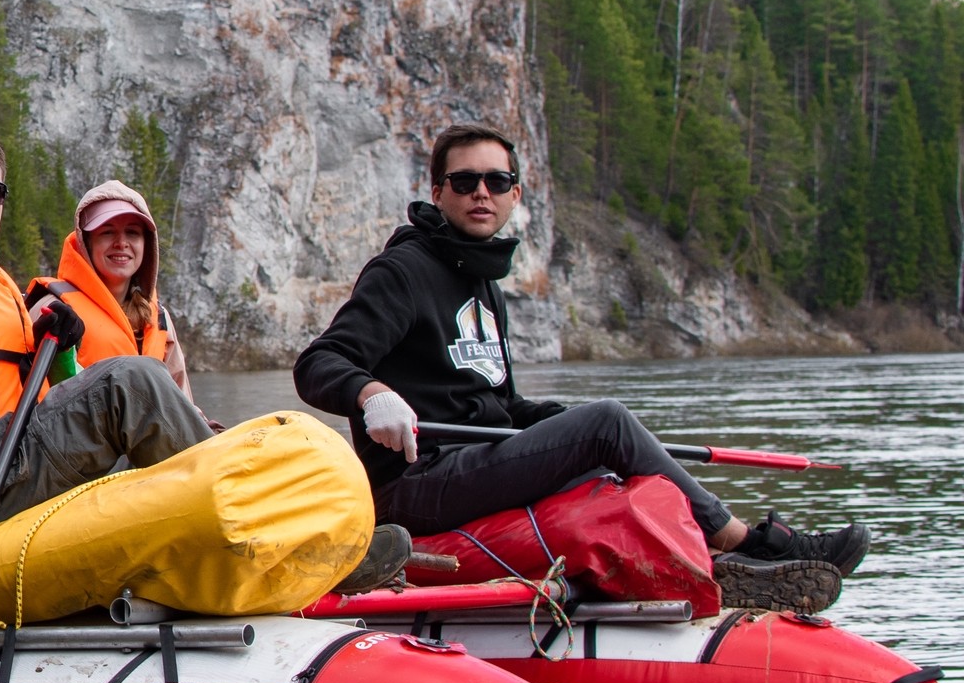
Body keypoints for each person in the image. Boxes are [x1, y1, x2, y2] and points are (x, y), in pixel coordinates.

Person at [0, 129, 410, 610]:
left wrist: (59, 355)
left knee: (157, 424)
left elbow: (33, 409)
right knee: (133, 380)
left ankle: (300, 532)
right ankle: (299, 541)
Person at [294, 123, 869, 614]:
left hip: (470, 463)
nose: (481, 193)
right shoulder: (404, 271)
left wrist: (575, 432)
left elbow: (503, 407)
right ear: (438, 192)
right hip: (415, 483)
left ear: (515, 194)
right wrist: (371, 394)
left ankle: (714, 568)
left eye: (496, 182)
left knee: (608, 455)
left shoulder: (483, 284)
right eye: (464, 181)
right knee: (607, 422)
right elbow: (319, 362)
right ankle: (753, 542)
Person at [27, 179, 192, 398]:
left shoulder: (159, 318)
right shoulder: (54, 310)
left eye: (132, 233)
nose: (121, 243)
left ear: (146, 244)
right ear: (86, 243)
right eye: (107, 232)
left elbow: (182, 403)